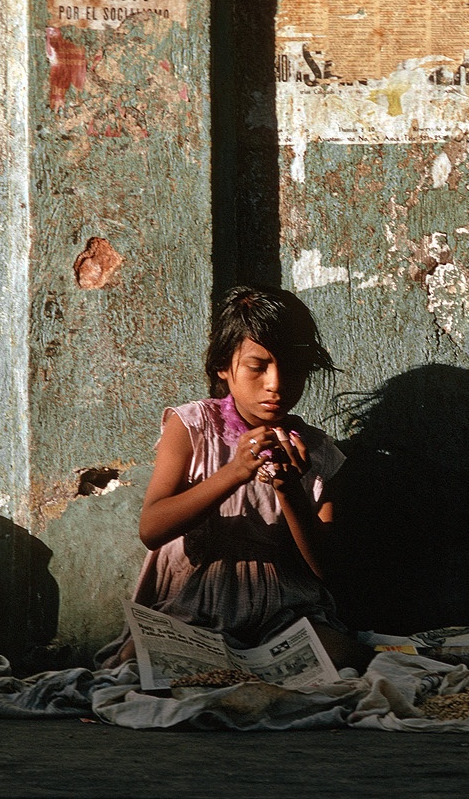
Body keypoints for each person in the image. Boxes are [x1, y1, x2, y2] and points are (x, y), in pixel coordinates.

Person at [99, 285, 372, 673]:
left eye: (292, 367)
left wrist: (289, 489)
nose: (276, 383)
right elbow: (152, 529)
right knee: (138, 664)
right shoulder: (192, 427)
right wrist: (235, 472)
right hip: (195, 607)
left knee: (347, 659)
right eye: (258, 367)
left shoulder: (318, 452)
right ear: (223, 368)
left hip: (285, 612)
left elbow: (325, 568)